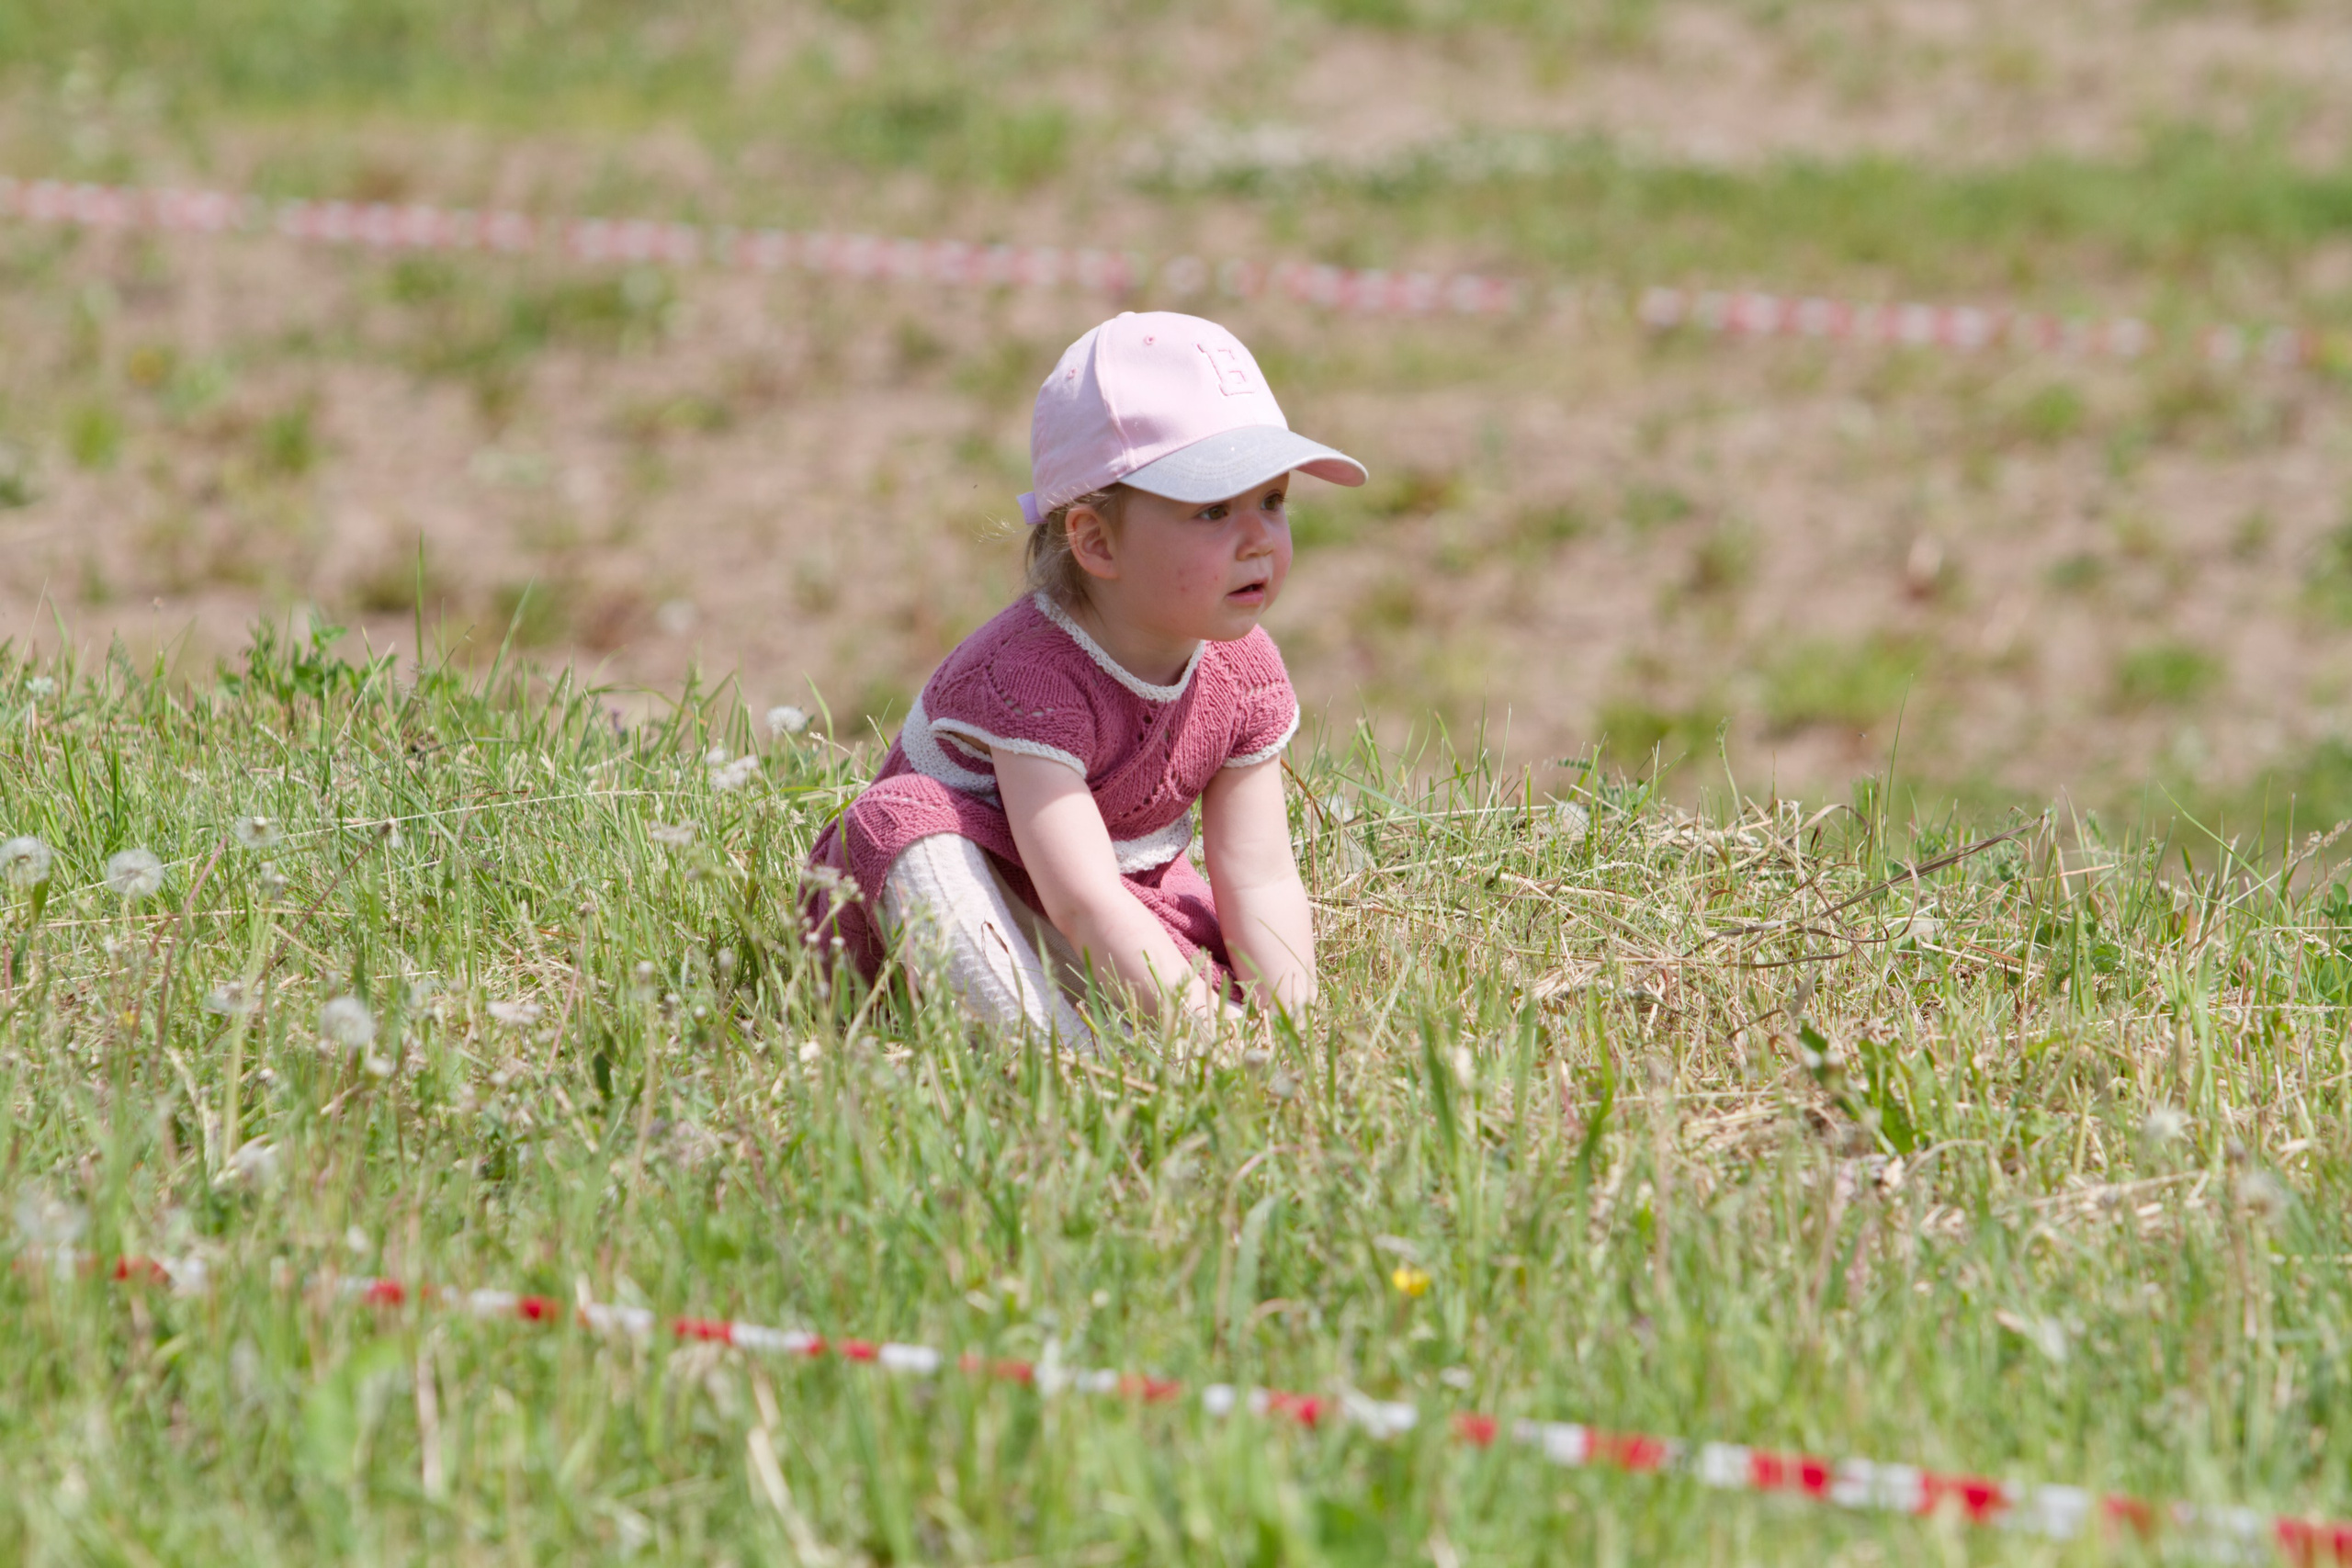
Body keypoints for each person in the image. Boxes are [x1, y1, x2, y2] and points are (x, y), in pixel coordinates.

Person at [801, 310, 1366, 1048]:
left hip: (1109, 907)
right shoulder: (1031, 675)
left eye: (1272, 500)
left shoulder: (1245, 669)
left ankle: (1167, 1033)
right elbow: (1079, 897)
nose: (1260, 535)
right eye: (1214, 509)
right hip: (958, 906)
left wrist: (1292, 1031)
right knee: (902, 822)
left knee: (1188, 928)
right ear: (1096, 542)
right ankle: (1058, 1054)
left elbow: (1256, 873)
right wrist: (1206, 1036)